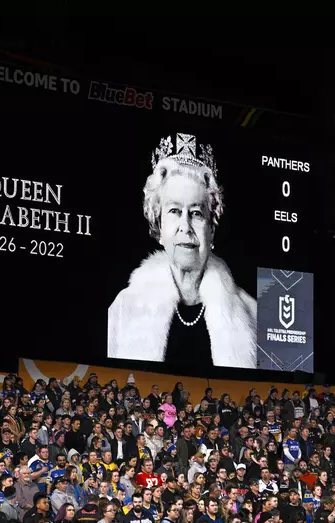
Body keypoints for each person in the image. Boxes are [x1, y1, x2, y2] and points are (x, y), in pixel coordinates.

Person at [107, 132, 256, 368]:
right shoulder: (123, 308)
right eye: (175, 211)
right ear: (159, 223)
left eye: (196, 213)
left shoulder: (251, 313)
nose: (185, 227)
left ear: (212, 228)